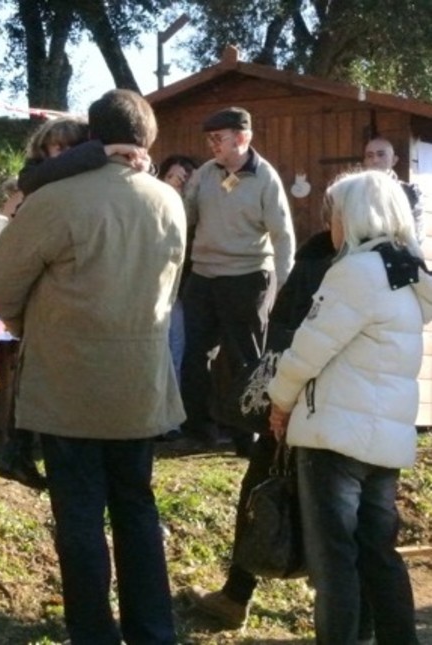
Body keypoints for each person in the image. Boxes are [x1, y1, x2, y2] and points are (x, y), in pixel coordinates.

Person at [0, 89, 185, 644]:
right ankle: (153, 632)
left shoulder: (57, 199)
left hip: (68, 383)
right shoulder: (170, 201)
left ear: (91, 136)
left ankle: (92, 634)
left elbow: (2, 289)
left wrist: (43, 328)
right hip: (142, 384)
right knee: (138, 511)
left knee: (78, 519)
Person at [268, 169, 432, 645]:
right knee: (380, 555)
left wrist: (279, 401)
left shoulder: (355, 273)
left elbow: (307, 350)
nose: (330, 223)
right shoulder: (407, 276)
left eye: (334, 213)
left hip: (333, 437)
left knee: (334, 564)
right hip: (385, 440)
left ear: (356, 216)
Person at [189, 226, 336, 629]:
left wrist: (281, 404)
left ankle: (239, 595)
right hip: (357, 414)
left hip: (302, 405)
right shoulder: (399, 268)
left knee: (262, 490)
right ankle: (343, 611)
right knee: (340, 511)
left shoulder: (320, 264)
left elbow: (285, 341)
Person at [0, 115, 149, 490]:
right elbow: (6, 282)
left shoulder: (81, 186)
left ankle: (17, 450)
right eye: (56, 148)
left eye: (70, 148)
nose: (61, 155)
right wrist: (103, 152)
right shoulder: (41, 181)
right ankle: (16, 450)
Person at [181, 106, 295, 453]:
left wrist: (285, 284)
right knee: (195, 355)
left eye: (218, 138)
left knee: (246, 357)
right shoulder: (204, 173)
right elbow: (184, 218)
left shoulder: (266, 178)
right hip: (203, 276)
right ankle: (198, 431)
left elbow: (283, 236)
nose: (212, 144)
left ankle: (249, 436)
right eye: (210, 139)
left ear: (242, 138)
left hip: (247, 279)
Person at [156, 154, 200, 441]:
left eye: (184, 179)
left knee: (176, 353)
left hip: (180, 293)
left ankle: (170, 420)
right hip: (152, 291)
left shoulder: (192, 210)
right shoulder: (152, 202)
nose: (178, 183)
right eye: (173, 177)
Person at [363, 136, 425, 243]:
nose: (375, 160)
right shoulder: (355, 191)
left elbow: (416, 234)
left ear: (394, 160)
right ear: (365, 161)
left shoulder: (410, 192)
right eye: (370, 156)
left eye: (381, 154)